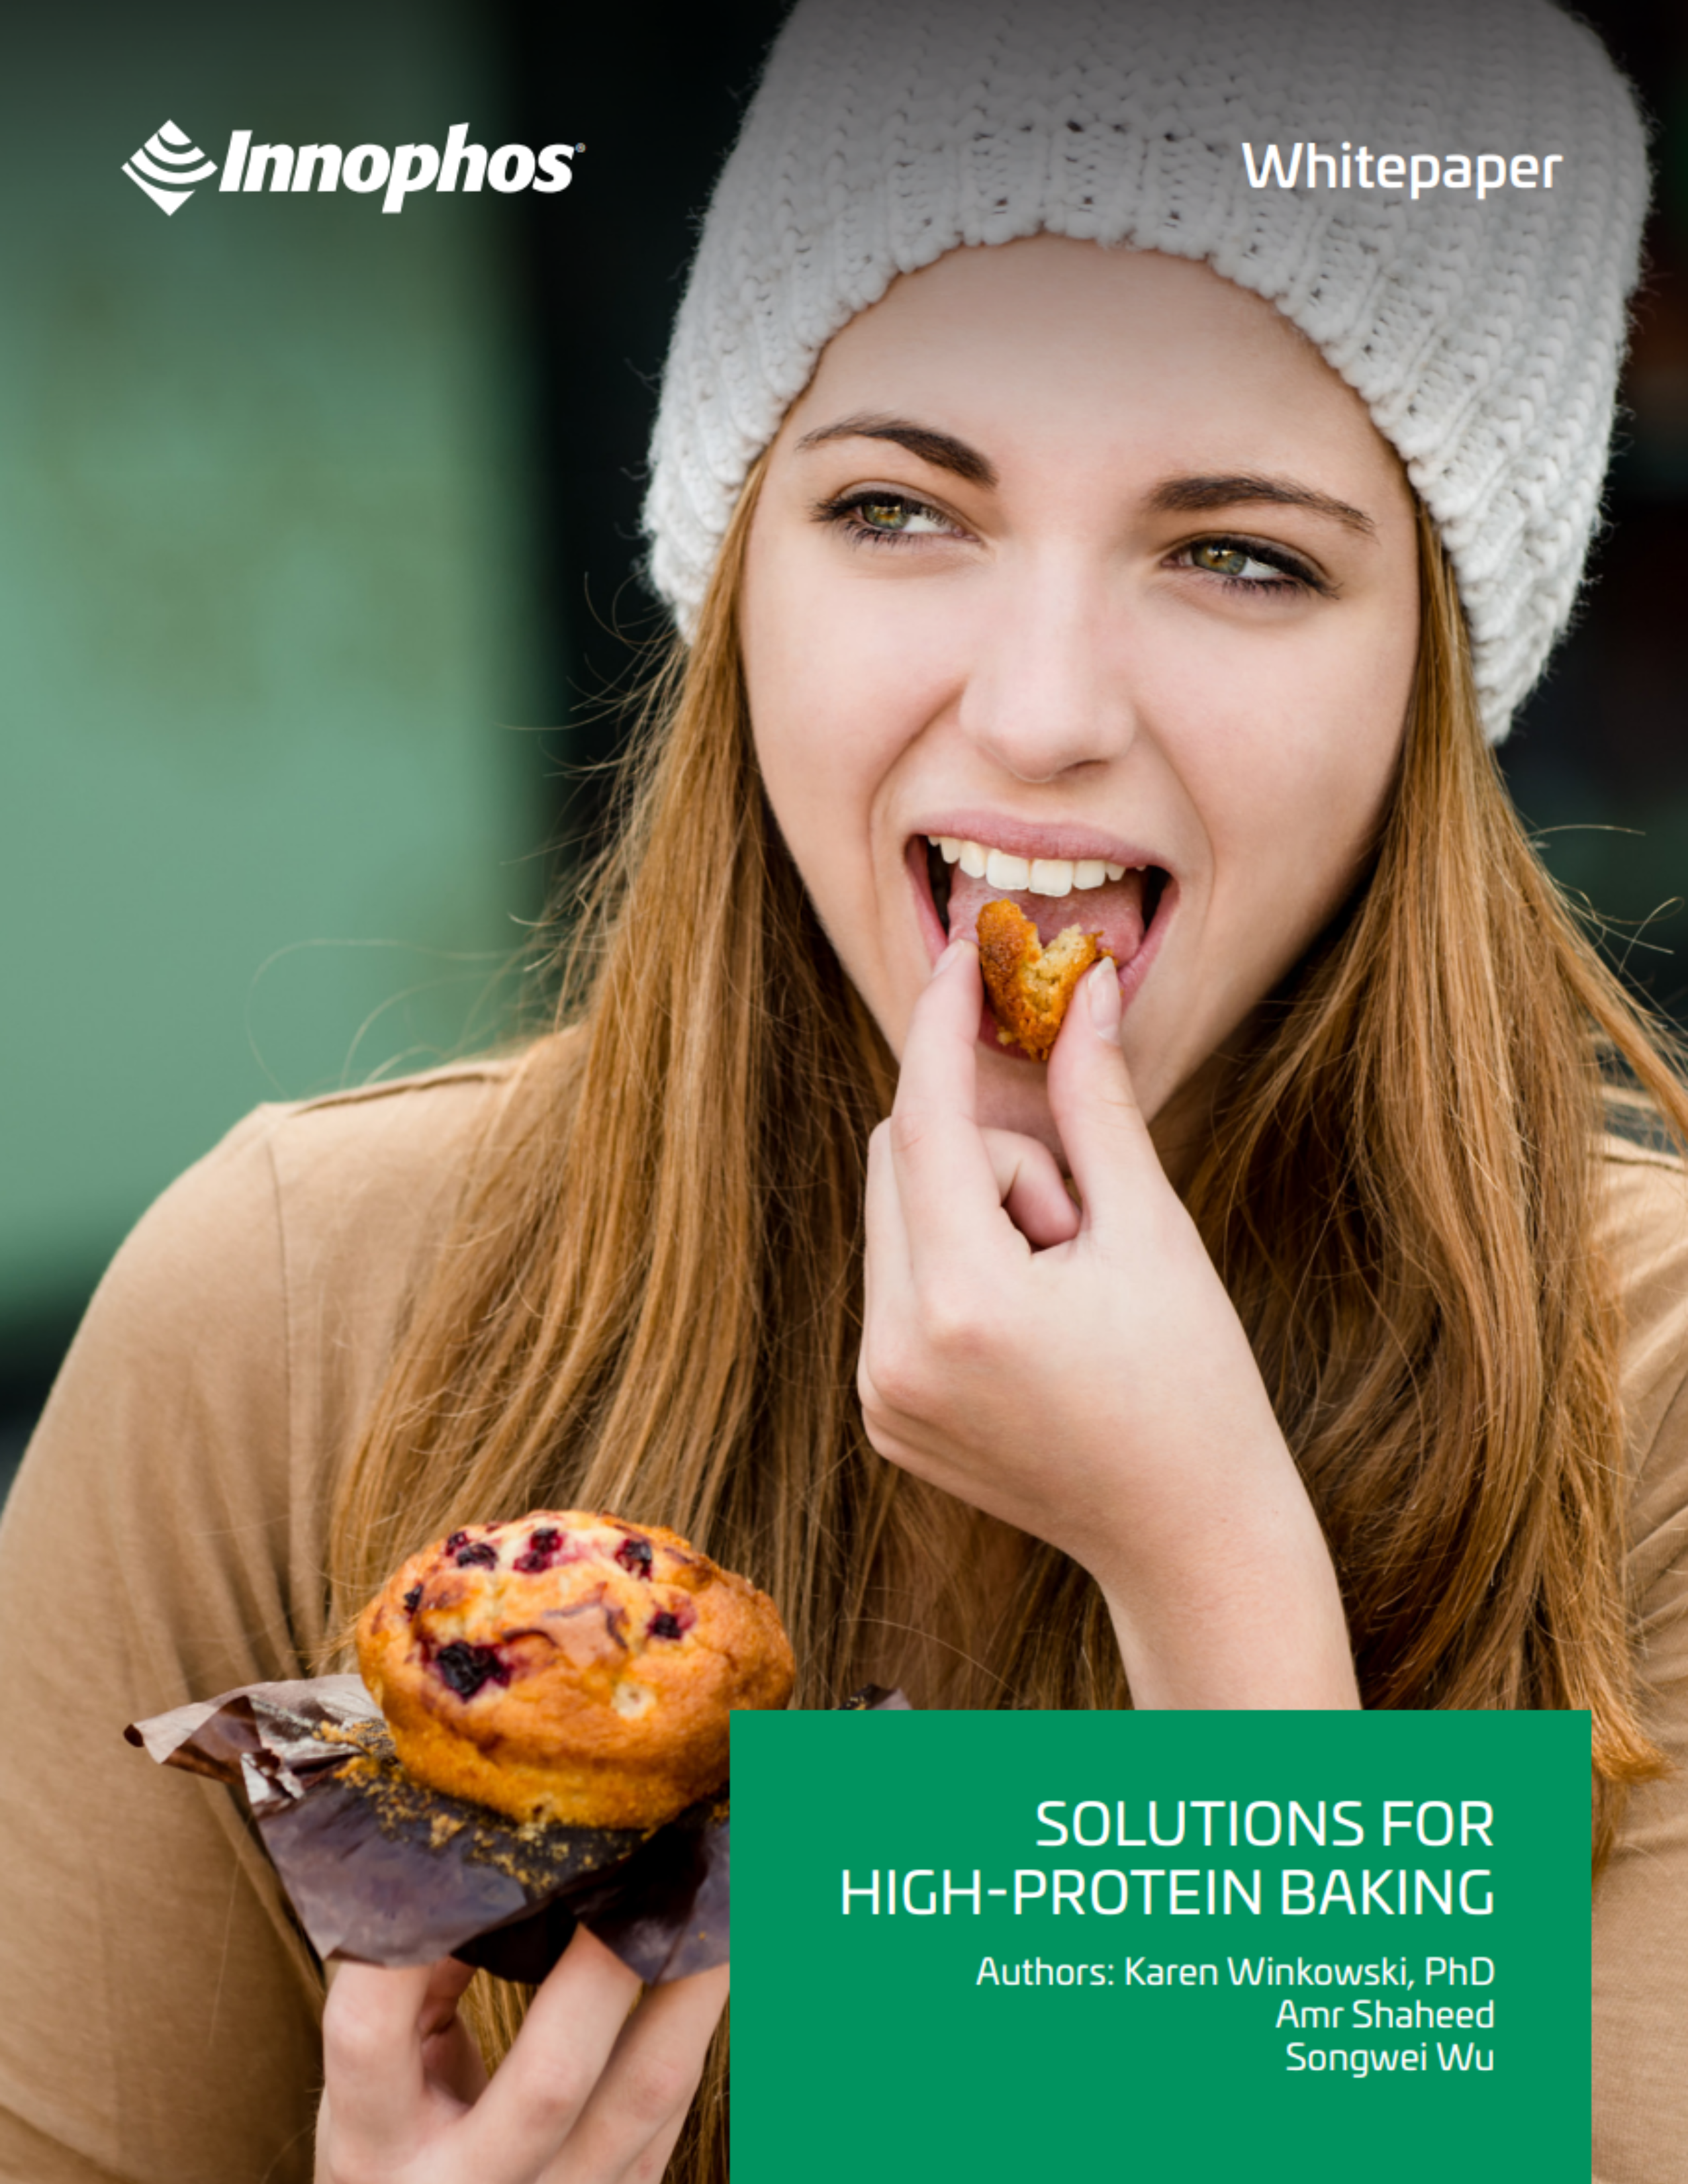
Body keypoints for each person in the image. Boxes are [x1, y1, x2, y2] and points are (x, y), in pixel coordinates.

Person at [1, 1, 1681, 2179]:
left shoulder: (1651, 1408)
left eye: (1242, 553)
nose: (1042, 706)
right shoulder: (295, 1313)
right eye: (897, 507)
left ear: (1435, 679)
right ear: (735, 577)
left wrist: (1212, 1586)